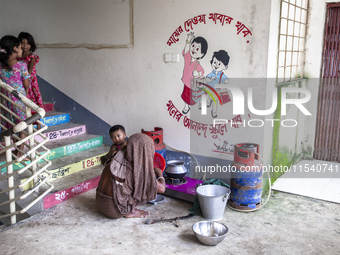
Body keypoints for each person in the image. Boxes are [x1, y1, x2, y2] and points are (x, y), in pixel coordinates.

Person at [96, 133, 166, 218]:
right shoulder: (138, 170)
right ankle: (130, 211)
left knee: (130, 185)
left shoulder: (117, 157)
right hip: (114, 210)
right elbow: (162, 189)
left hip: (99, 202)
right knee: (142, 189)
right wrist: (159, 174)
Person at [0, 35, 30, 158]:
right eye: (20, 47)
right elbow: (26, 85)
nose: (22, 49)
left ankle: (15, 150)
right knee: (22, 125)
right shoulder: (22, 66)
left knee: (11, 126)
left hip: (5, 101)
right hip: (19, 101)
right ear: (15, 49)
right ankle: (19, 151)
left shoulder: (1, 66)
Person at [181, 32, 208, 114]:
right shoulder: (187, 58)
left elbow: (202, 71)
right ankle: (186, 106)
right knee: (186, 97)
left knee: (196, 96)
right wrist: (188, 41)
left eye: (197, 49)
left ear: (202, 54)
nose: (193, 49)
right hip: (186, 82)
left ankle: (201, 103)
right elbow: (184, 52)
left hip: (193, 85)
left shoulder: (197, 64)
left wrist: (198, 74)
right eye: (193, 46)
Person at [17, 32, 43, 110]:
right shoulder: (18, 57)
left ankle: (34, 111)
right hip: (20, 79)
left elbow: (30, 69)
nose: (25, 46)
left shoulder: (32, 57)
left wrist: (26, 80)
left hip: (30, 79)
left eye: (27, 43)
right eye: (22, 43)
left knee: (31, 94)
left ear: (31, 44)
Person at [205, 50, 230, 118]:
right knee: (208, 97)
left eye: (219, 64)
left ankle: (214, 111)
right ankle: (208, 102)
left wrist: (225, 82)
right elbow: (206, 79)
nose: (216, 65)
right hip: (209, 89)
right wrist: (210, 79)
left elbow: (227, 80)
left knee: (215, 101)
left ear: (225, 67)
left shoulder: (222, 75)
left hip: (216, 91)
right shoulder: (212, 73)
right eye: (214, 62)